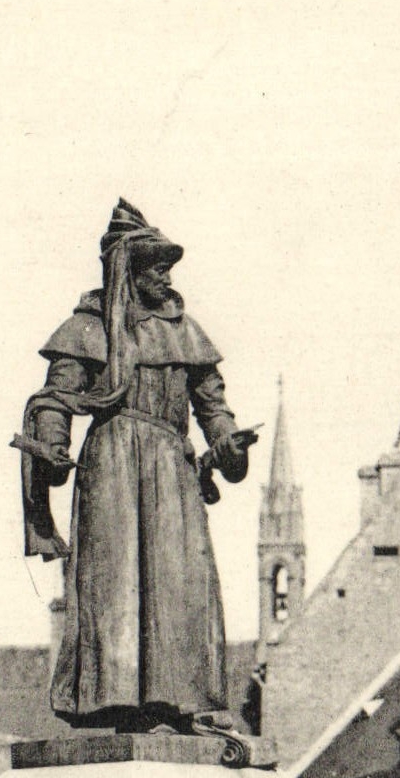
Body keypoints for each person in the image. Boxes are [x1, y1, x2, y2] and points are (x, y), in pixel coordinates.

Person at [18, 199, 253, 732]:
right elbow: (56, 398)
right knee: (114, 581)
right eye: (155, 267)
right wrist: (53, 442)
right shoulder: (88, 327)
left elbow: (212, 405)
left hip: (171, 467)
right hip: (113, 464)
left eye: (168, 267)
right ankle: (115, 699)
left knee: (180, 578)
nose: (166, 277)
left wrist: (227, 443)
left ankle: (180, 700)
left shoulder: (186, 331)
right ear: (126, 270)